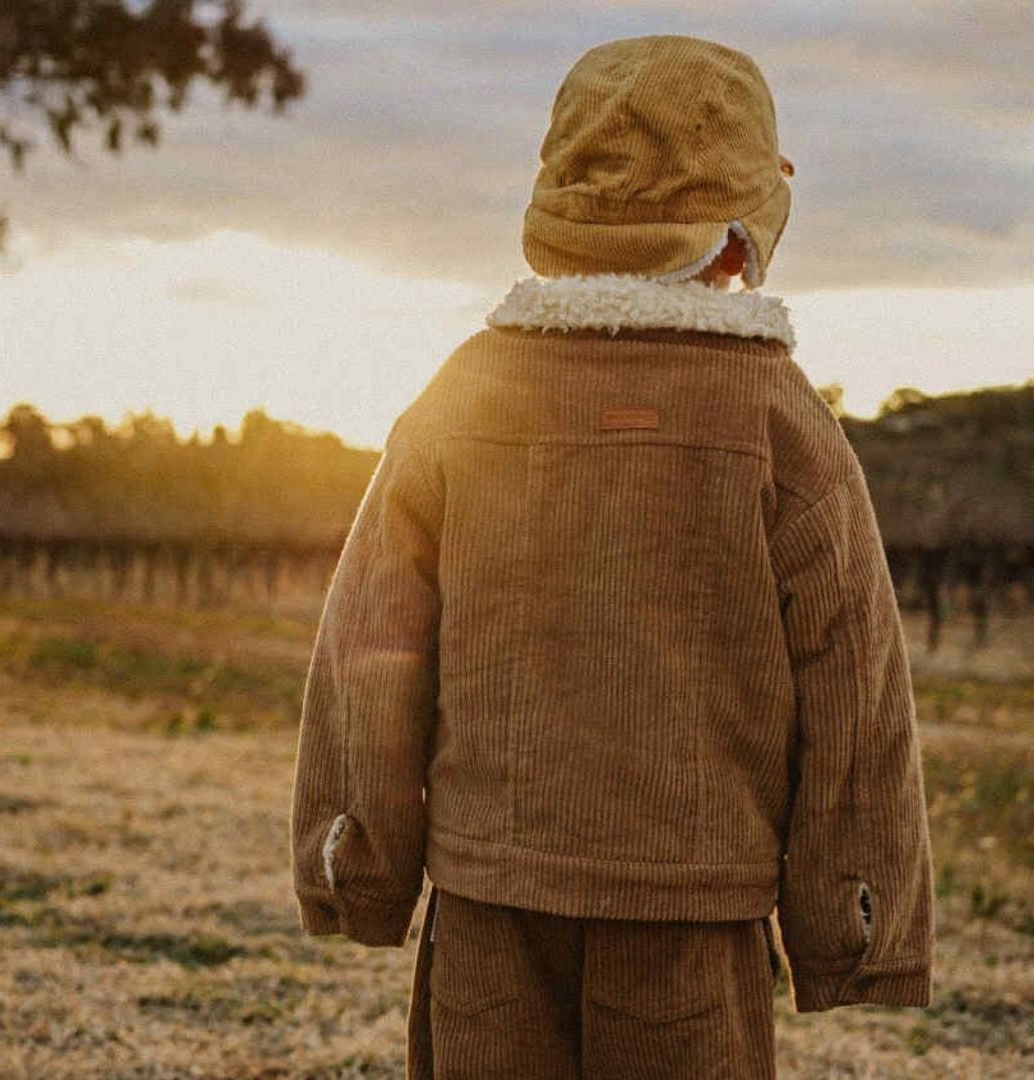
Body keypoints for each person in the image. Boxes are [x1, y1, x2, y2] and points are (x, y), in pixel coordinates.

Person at [290, 33, 935, 1079]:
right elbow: (855, 679)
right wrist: (853, 913)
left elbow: (370, 639)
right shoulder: (777, 413)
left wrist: (354, 859)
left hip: (489, 897)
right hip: (693, 912)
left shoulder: (463, 394)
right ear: (740, 241)